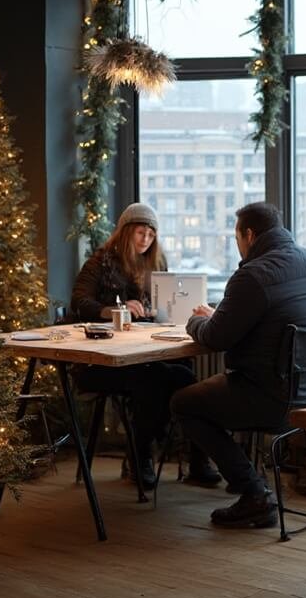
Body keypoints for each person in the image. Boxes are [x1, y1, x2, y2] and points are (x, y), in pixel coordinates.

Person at [170, 202, 306, 528]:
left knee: (183, 403)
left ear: (248, 234)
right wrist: (220, 318)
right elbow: (275, 318)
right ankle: (242, 480)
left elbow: (215, 338)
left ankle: (254, 492)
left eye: (237, 239)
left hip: (269, 395)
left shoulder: (253, 275)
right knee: (203, 395)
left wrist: (194, 321)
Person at [71, 202, 221, 489]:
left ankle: (196, 457)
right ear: (125, 232)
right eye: (141, 233)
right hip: (103, 360)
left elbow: (164, 302)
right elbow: (79, 302)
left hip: (142, 353)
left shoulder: (156, 265)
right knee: (153, 379)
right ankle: (140, 455)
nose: (146, 240)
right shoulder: (99, 264)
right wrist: (115, 310)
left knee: (186, 376)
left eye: (151, 235)